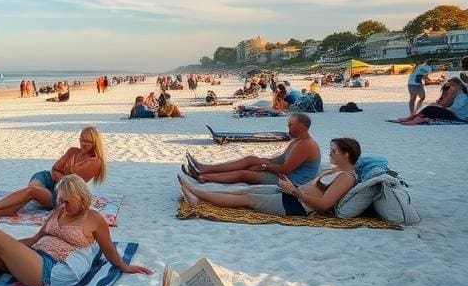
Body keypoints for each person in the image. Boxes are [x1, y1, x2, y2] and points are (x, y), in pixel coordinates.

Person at [0, 175, 149, 286]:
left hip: (55, 271)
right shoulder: (57, 212)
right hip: (37, 258)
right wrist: (8, 248)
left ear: (81, 198)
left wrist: (124, 266)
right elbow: (36, 239)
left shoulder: (95, 219)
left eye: (68, 201)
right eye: (61, 200)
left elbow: (108, 250)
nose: (63, 204)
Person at [180, 138, 361, 217]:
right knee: (244, 190)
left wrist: (295, 192)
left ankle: (197, 193)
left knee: (247, 198)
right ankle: (199, 196)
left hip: (296, 205)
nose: (330, 153)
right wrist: (289, 185)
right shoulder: (335, 169)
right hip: (291, 194)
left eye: (334, 151)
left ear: (346, 155)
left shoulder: (346, 177)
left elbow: (324, 204)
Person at [0, 126, 106, 219]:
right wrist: (62, 175)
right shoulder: (72, 151)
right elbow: (54, 168)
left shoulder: (95, 162)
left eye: (88, 141)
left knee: (32, 191)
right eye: (82, 139)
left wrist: (61, 175)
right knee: (33, 186)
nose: (83, 143)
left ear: (95, 143)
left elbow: (73, 184)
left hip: (61, 193)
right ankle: (12, 209)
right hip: (47, 178)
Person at [183, 113, 321, 186]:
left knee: (245, 174)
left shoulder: (306, 145)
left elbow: (285, 170)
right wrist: (262, 162)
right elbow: (280, 160)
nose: (287, 127)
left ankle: (202, 177)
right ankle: (203, 167)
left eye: (290, 125)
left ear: (302, 127)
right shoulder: (298, 140)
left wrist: (265, 166)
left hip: (291, 182)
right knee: (250, 159)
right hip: (284, 174)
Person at [394, 78, 468, 124]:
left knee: (431, 108)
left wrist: (437, 105)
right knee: (431, 108)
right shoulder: (460, 93)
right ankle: (413, 118)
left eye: (451, 86)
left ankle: (414, 118)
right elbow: (447, 104)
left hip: (457, 116)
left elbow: (446, 104)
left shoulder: (460, 93)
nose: (451, 88)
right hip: (453, 112)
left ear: (457, 85)